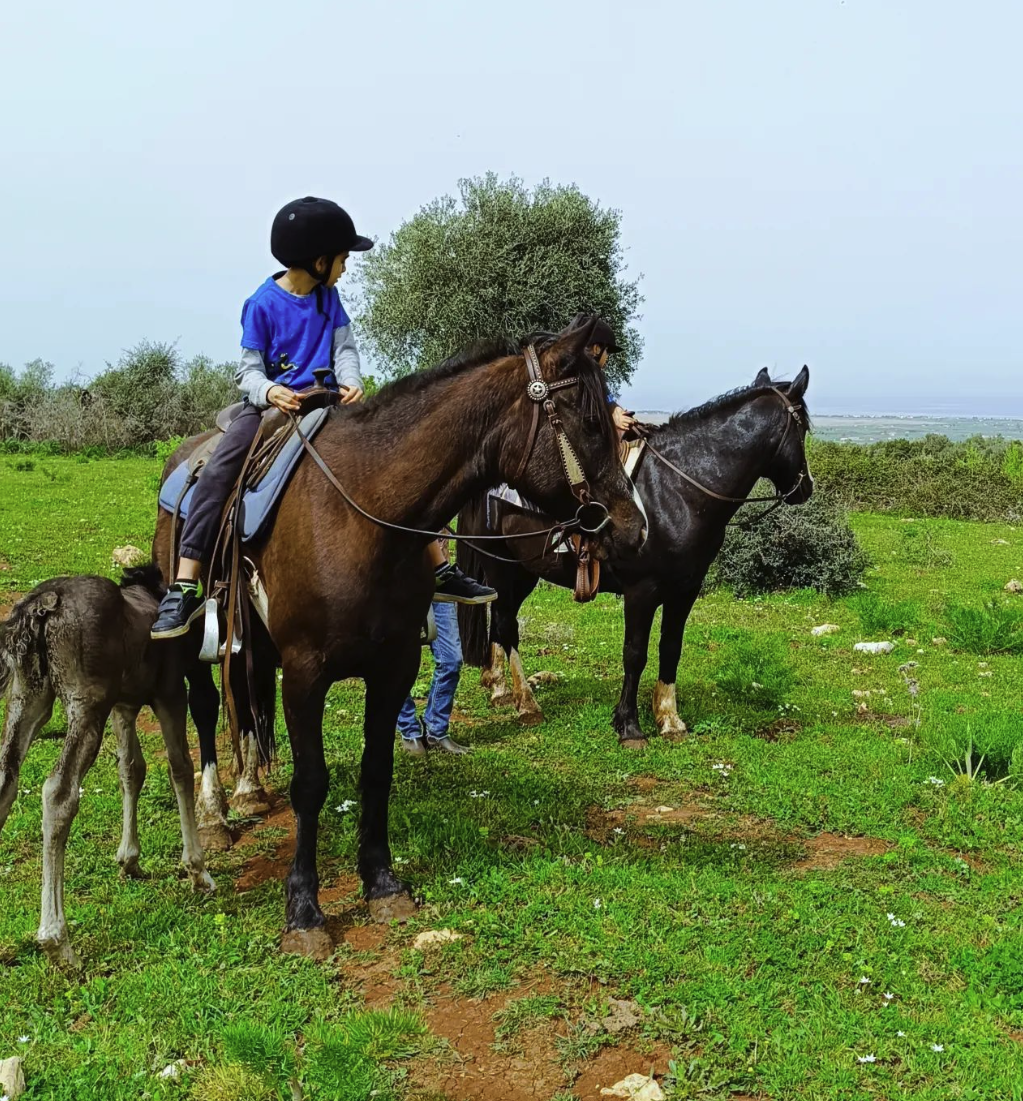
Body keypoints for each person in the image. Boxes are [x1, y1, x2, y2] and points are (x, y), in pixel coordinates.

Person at [151, 196, 492, 639]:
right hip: (271, 409)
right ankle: (185, 582)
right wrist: (271, 390)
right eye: (343, 258)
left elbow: (344, 349)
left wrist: (351, 382)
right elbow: (248, 370)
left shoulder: (329, 299)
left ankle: (439, 568)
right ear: (318, 260)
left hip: (331, 406)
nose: (345, 268)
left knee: (397, 472)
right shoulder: (261, 305)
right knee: (218, 473)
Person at [398, 539, 469, 756]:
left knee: (452, 659)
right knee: (397, 662)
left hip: (439, 580)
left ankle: (436, 729)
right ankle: (408, 729)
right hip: (399, 581)